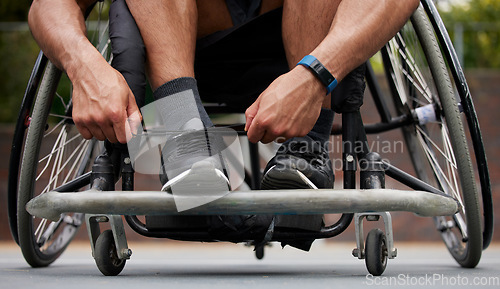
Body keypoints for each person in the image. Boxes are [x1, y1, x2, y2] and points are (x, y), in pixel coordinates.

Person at [27, 0, 420, 249]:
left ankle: (306, 147)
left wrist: (314, 76)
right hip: (179, 43)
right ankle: (186, 138)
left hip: (304, 52)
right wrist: (85, 67)